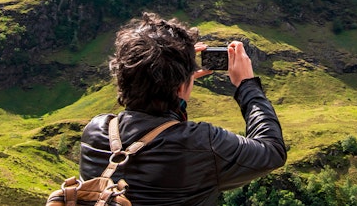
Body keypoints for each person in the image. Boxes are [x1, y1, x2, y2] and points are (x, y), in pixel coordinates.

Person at [79, 12, 287, 205]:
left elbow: (156, 130)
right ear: (180, 85)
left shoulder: (96, 131)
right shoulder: (203, 143)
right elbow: (271, 150)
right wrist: (247, 86)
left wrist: (176, 84)